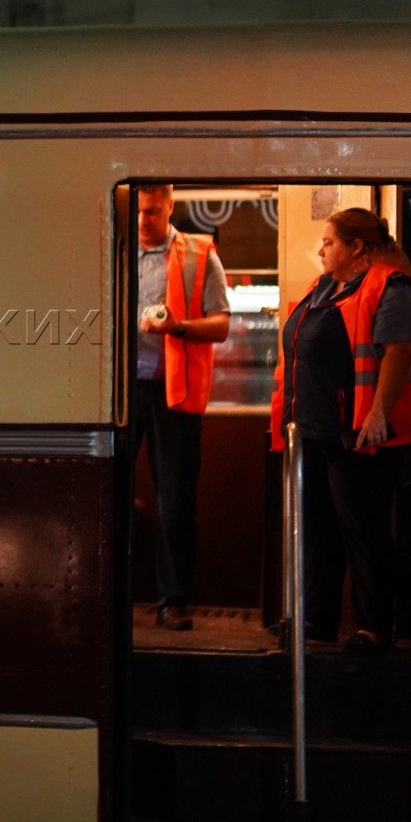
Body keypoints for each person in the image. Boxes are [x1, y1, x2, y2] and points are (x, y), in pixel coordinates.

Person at [270, 208, 411, 655]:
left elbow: (398, 353)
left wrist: (377, 413)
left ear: (356, 247)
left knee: (363, 528)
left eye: (329, 242)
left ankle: (374, 627)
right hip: (313, 430)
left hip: (359, 433)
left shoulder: (391, 287)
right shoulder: (323, 287)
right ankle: (318, 620)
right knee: (318, 528)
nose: (320, 250)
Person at [134, 185, 231, 631]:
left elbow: (221, 325)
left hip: (174, 392)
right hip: (117, 390)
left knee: (175, 502)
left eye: (153, 211)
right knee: (106, 496)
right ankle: (110, 600)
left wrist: (178, 327)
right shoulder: (109, 248)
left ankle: (172, 601)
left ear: (171, 206)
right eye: (138, 211)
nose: (143, 220)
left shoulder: (199, 254)